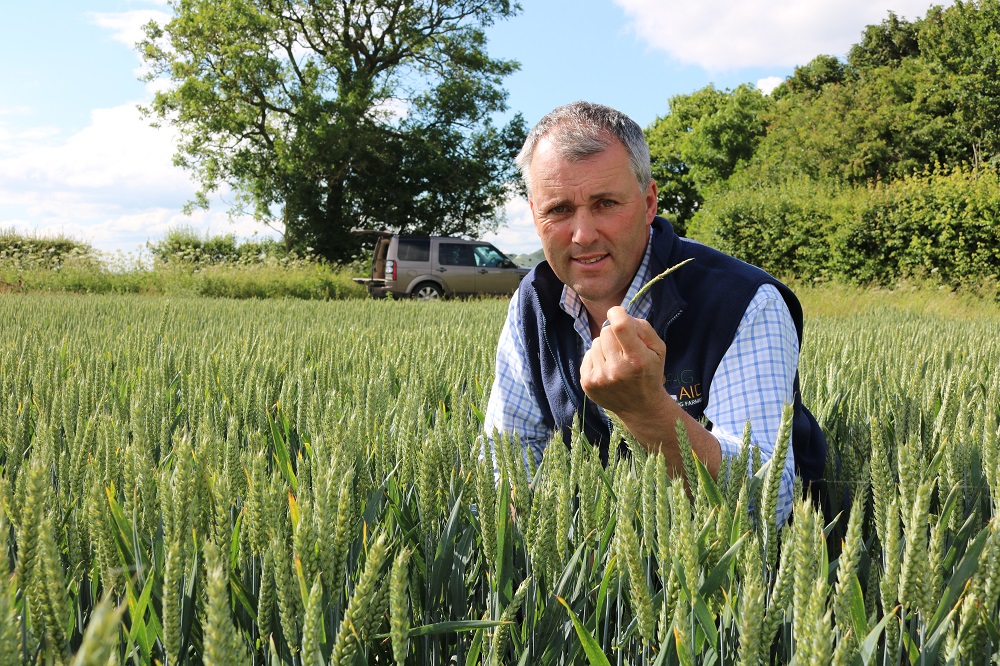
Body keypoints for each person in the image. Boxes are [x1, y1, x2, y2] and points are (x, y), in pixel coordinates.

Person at [484, 101, 826, 525]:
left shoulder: (744, 302)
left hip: (743, 579)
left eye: (606, 203)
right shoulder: (532, 302)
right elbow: (510, 460)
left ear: (648, 203)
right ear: (535, 217)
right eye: (559, 210)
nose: (583, 234)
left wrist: (645, 410)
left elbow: (765, 503)